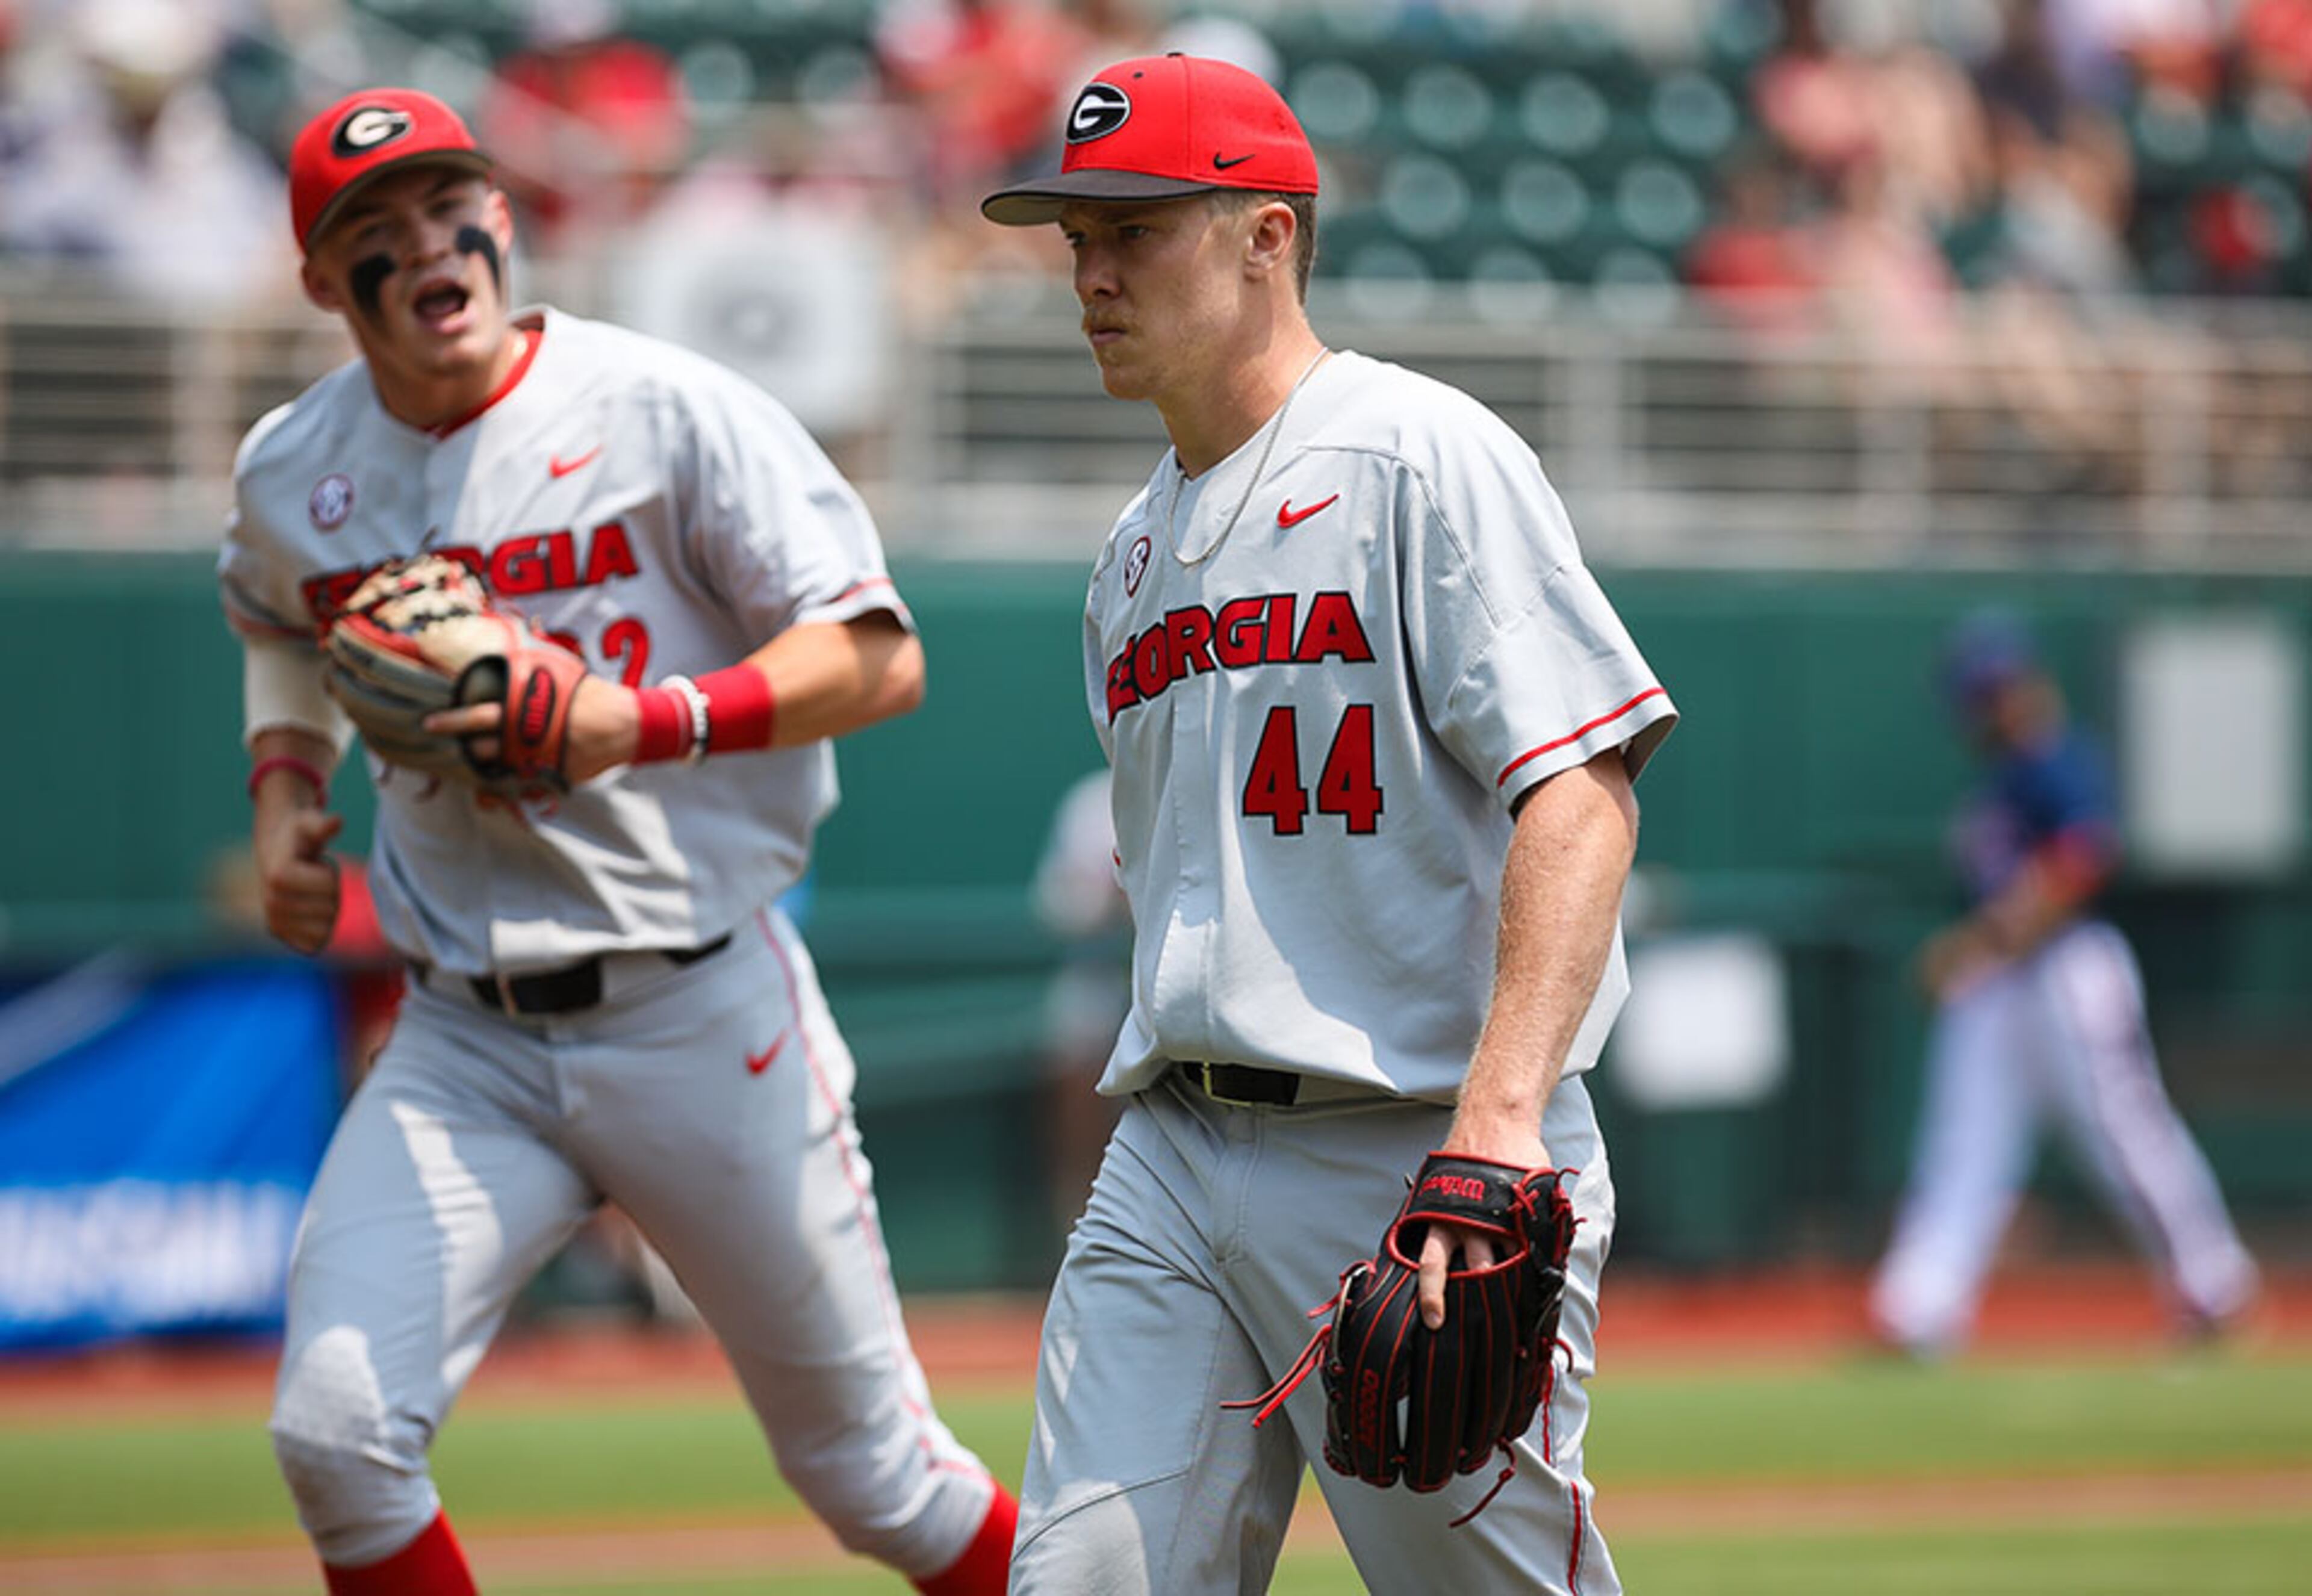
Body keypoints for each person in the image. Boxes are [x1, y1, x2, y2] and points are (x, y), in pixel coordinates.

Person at [217, 87, 1016, 1595]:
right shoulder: (292, 468)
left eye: (449, 208)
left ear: (502, 220)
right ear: (324, 284)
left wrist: (637, 721)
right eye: (370, 234)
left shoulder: (662, 407)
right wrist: (282, 785)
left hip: (699, 1005)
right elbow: (271, 613)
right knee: (335, 1433)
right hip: (463, 1034)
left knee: (877, 1479)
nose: (426, 246)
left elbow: (879, 659)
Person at [981, 55, 1677, 1595]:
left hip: (1414, 1144)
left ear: (1264, 236)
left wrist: (1493, 1129)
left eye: (1137, 228)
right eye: (1074, 236)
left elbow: (1581, 784)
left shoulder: (1412, 450)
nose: (1089, 271)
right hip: (1169, 1142)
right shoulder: (1128, 552)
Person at [1868, 613, 2260, 1358]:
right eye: (1979, 696)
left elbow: (2081, 862)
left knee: (2128, 1131)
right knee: (1965, 1140)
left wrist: (1978, 943)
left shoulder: (2058, 760)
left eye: (1996, 691)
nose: (1988, 707)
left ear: (2026, 685)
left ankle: (2213, 1285)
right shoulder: (2001, 775)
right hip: (2003, 981)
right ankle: (1919, 1306)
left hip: (2068, 968)